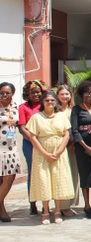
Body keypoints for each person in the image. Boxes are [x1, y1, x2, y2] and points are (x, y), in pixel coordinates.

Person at [27, 91, 74, 225]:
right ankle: (46, 212)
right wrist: (45, 153)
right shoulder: (36, 117)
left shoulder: (61, 116)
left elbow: (66, 135)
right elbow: (32, 137)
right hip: (42, 152)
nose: (50, 103)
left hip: (59, 151)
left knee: (58, 180)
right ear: (42, 102)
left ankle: (57, 210)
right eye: (47, 100)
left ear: (56, 102)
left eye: (52, 100)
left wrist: (59, 151)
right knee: (44, 181)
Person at [71, 81, 91, 219]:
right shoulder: (77, 110)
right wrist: (86, 147)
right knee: (85, 177)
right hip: (82, 148)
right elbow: (74, 130)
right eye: (86, 93)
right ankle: (87, 205)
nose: (88, 95)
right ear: (81, 94)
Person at [18, 79, 48, 215]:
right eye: (33, 93)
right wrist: (33, 140)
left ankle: (45, 203)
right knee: (33, 172)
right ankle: (32, 203)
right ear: (27, 94)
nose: (36, 95)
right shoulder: (23, 107)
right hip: (30, 144)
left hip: (45, 143)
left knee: (44, 173)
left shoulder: (45, 106)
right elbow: (22, 128)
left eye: (38, 92)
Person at [55, 84, 79, 218]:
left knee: (73, 175)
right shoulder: (54, 110)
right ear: (57, 96)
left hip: (73, 147)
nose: (65, 96)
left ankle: (69, 204)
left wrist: (73, 143)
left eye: (67, 94)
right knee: (61, 176)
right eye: (62, 94)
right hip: (59, 147)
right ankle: (62, 206)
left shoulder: (74, 110)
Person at [0, 82, 21, 222]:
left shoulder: (15, 107)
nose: (4, 95)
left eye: (7, 92)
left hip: (12, 148)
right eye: (2, 92)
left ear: (12, 94)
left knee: (9, 178)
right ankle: (2, 210)